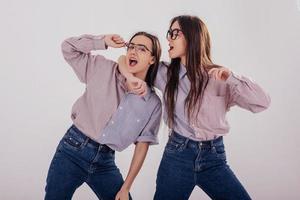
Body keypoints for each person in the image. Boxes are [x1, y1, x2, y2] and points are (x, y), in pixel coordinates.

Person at [118, 15, 271, 200]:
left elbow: (262, 102)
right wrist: (131, 77)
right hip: (177, 157)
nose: (168, 38)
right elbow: (125, 60)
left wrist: (231, 77)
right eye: (169, 33)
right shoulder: (164, 73)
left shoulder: (220, 77)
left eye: (175, 33)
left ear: (192, 37)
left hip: (214, 159)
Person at [45, 31, 162, 200]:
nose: (133, 52)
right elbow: (68, 47)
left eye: (142, 49)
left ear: (152, 59)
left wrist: (125, 188)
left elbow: (142, 147)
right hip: (72, 150)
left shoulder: (152, 104)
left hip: (104, 162)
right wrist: (102, 41)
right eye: (131, 46)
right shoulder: (102, 68)